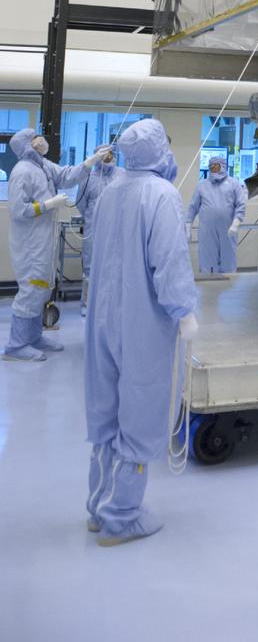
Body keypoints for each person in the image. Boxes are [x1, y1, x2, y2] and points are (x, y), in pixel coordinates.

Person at [85, 118, 198, 546]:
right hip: (141, 323)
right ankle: (122, 516)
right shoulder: (161, 195)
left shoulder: (111, 190)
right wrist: (184, 311)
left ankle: (98, 506)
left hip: (103, 317)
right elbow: (168, 261)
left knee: (106, 413)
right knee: (140, 411)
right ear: (158, 150)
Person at [4, 128, 110, 361]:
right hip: (30, 243)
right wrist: (49, 204)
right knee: (31, 290)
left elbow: (66, 176)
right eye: (36, 137)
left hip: (43, 239)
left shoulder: (43, 165)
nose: (41, 139)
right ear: (27, 145)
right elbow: (18, 210)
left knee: (42, 289)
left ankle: (34, 337)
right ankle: (16, 346)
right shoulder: (22, 171)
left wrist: (90, 161)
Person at [185, 157, 247, 274]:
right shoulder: (202, 186)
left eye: (216, 165)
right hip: (207, 230)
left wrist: (236, 223)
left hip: (228, 229)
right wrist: (188, 227)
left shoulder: (234, 184)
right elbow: (193, 207)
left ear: (223, 166)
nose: (213, 168)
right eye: (211, 166)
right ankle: (209, 279)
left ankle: (229, 280)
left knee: (228, 256)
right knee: (208, 256)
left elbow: (241, 205)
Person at [75, 147, 117, 316]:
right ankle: (87, 305)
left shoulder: (121, 176)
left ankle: (110, 305)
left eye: (110, 154)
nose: (108, 157)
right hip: (93, 228)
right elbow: (80, 203)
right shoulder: (88, 178)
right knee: (90, 267)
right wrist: (92, 218)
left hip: (115, 229)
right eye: (104, 154)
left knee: (114, 266)